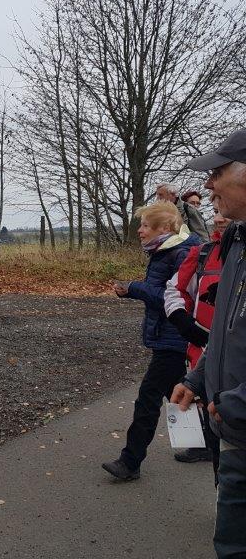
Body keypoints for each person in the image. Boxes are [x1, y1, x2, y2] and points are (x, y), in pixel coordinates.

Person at [171, 128, 246, 557]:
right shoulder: (235, 242)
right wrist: (198, 379)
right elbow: (225, 330)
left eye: (217, 172)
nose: (208, 185)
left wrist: (234, 403)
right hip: (236, 433)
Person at [102, 202, 198, 482]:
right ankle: (202, 444)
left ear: (164, 228)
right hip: (168, 338)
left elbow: (172, 299)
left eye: (145, 225)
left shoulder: (178, 253)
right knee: (179, 393)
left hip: (174, 339)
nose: (140, 231)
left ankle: (130, 462)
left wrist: (133, 288)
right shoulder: (164, 251)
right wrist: (131, 291)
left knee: (147, 398)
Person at [164, 199, 232, 464]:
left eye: (224, 212)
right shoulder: (203, 253)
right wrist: (182, 320)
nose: (218, 219)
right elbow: (174, 289)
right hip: (202, 354)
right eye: (214, 212)